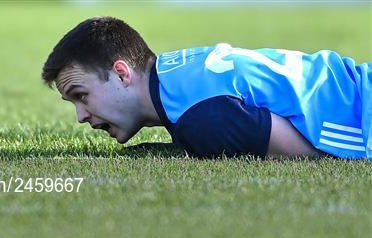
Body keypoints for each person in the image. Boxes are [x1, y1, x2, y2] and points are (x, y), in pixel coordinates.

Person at [41, 16, 371, 159]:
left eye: (80, 96)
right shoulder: (177, 71)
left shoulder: (202, 120)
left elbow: (309, 155)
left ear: (122, 73)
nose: (81, 116)